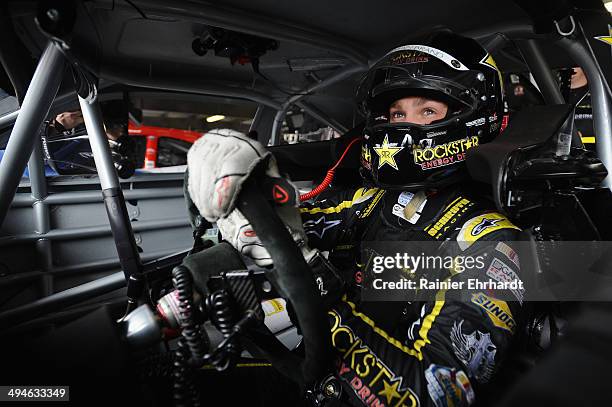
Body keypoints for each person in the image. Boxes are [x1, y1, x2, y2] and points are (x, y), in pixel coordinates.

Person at [187, 32, 524, 407]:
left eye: (427, 110)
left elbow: (437, 395)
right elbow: (288, 225)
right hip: (318, 380)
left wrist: (310, 284)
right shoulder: (371, 200)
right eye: (397, 113)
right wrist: (240, 198)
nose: (402, 125)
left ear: (474, 114)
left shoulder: (494, 242)